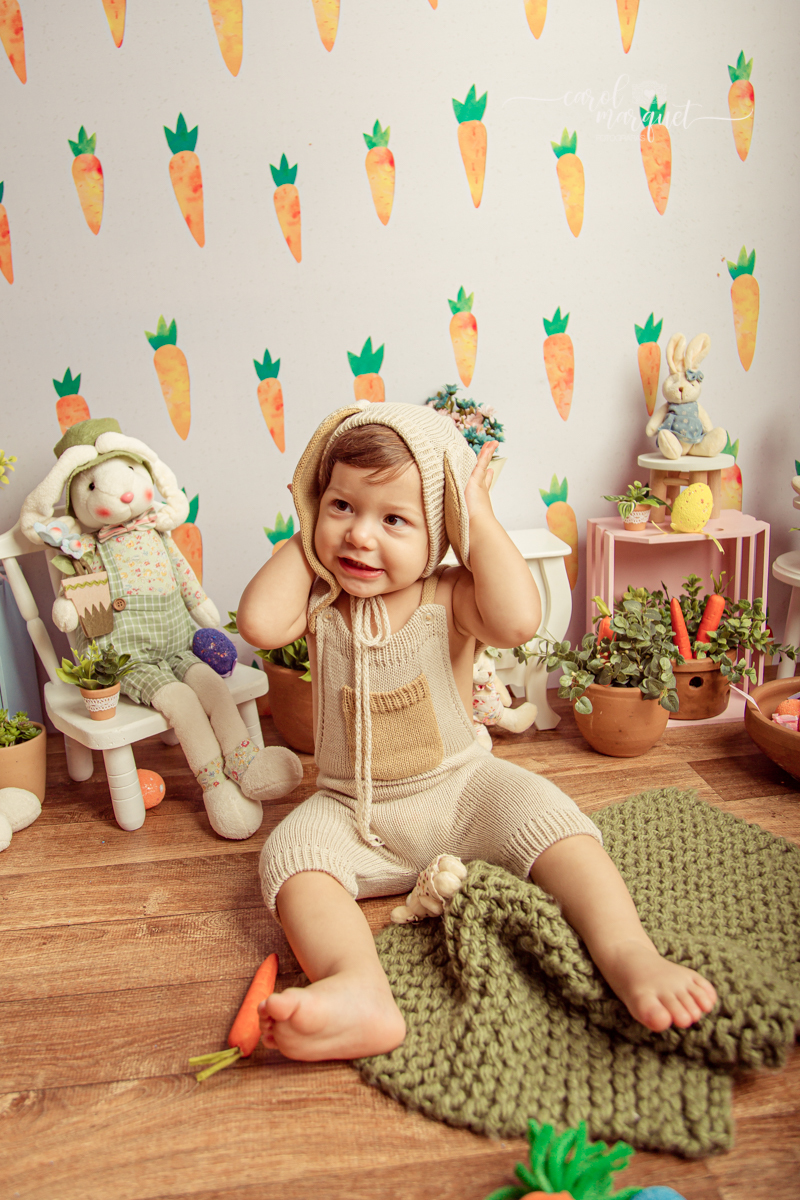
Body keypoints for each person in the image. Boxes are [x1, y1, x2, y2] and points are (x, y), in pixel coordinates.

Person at [237, 402, 717, 1063]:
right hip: (355, 812)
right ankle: (359, 987)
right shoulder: (321, 601)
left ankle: (629, 954)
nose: (358, 536)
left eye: (394, 519)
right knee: (288, 858)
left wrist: (479, 519)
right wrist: (304, 529)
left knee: (553, 818)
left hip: (463, 790)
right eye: (341, 506)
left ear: (441, 529)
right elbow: (261, 625)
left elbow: (519, 621)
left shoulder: (449, 594)